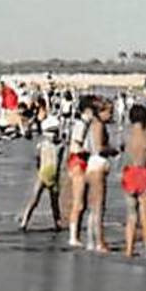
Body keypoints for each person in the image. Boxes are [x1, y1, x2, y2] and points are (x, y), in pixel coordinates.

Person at [122, 103, 146, 258]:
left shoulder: (126, 136)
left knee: (131, 216)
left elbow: (123, 156)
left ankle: (129, 250)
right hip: (143, 174)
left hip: (129, 174)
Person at [82, 98, 115, 253]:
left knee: (94, 207)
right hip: (98, 165)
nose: (112, 114)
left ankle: (91, 241)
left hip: (92, 165)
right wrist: (113, 149)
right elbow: (99, 147)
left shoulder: (92, 125)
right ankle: (99, 242)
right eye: (109, 111)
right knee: (99, 207)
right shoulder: (98, 125)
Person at [19, 119, 63, 232]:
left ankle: (57, 223)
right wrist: (39, 171)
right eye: (51, 132)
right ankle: (25, 220)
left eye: (56, 132)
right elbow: (38, 160)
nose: (54, 135)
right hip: (43, 174)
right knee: (34, 199)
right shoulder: (41, 145)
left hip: (54, 176)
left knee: (55, 203)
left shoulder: (60, 146)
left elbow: (60, 161)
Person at [64, 96, 96, 247]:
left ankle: (75, 235)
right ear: (87, 110)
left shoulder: (85, 124)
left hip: (79, 162)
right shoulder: (81, 124)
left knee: (81, 202)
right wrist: (94, 151)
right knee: (79, 202)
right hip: (78, 162)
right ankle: (72, 237)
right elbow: (76, 146)